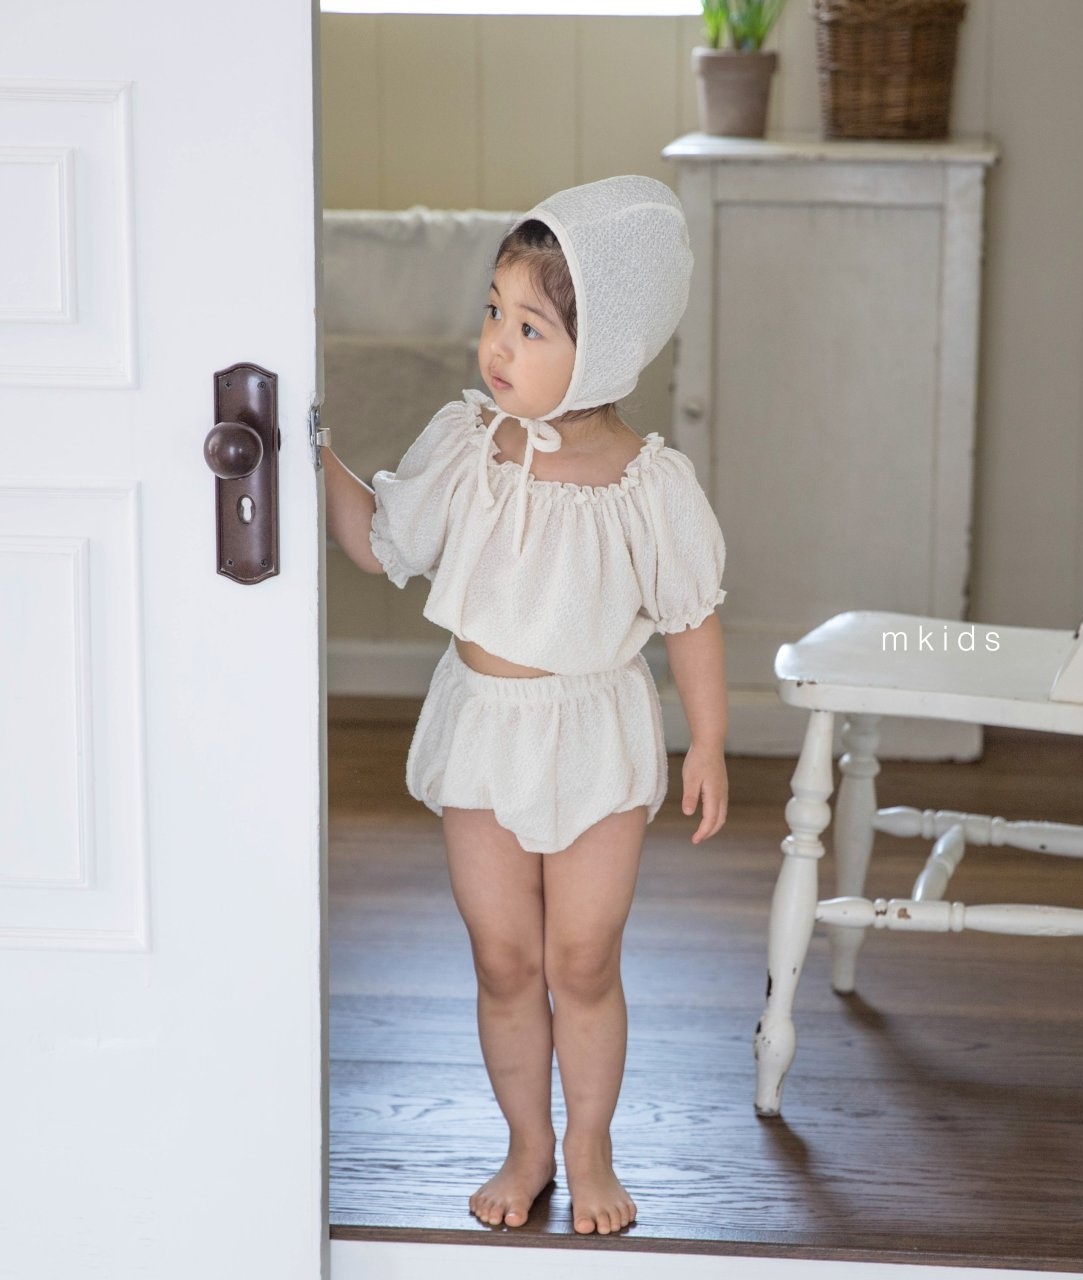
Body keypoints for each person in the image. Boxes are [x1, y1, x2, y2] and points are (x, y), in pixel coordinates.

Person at [321, 175, 729, 1236]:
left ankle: (590, 1146)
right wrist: (312, 452)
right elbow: (381, 541)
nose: (497, 343)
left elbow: (690, 616)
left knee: (582, 959)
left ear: (603, 351)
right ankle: (527, 1142)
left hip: (596, 736)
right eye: (494, 311)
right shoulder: (467, 447)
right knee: (503, 957)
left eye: (530, 327)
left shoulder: (648, 486)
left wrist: (709, 741)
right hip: (484, 733)